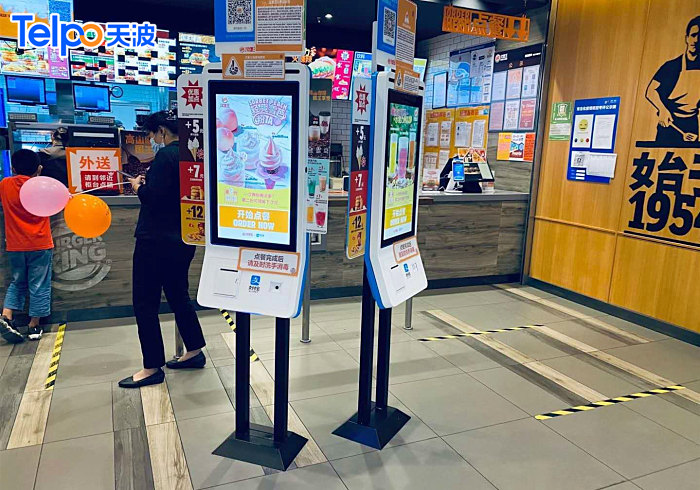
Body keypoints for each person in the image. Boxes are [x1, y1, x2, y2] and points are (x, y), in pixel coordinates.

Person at [118, 111, 206, 388]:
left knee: (145, 302)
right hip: (185, 237)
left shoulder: (166, 155)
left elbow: (154, 198)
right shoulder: (194, 154)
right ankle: (194, 350)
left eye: (152, 135)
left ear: (162, 132)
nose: (152, 140)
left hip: (155, 240)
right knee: (178, 294)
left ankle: (152, 367)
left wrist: (138, 187)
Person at [0, 150, 54, 343]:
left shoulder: (4, 184)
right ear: (39, 169)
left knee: (17, 282)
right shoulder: (43, 187)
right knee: (39, 284)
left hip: (15, 244)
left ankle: (7, 316)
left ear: (13, 168)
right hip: (40, 243)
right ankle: (34, 325)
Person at [645, 16, 700, 145]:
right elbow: (650, 91)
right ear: (687, 38)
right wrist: (662, 110)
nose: (696, 40)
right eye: (693, 35)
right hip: (669, 121)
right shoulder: (671, 66)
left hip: (691, 124)